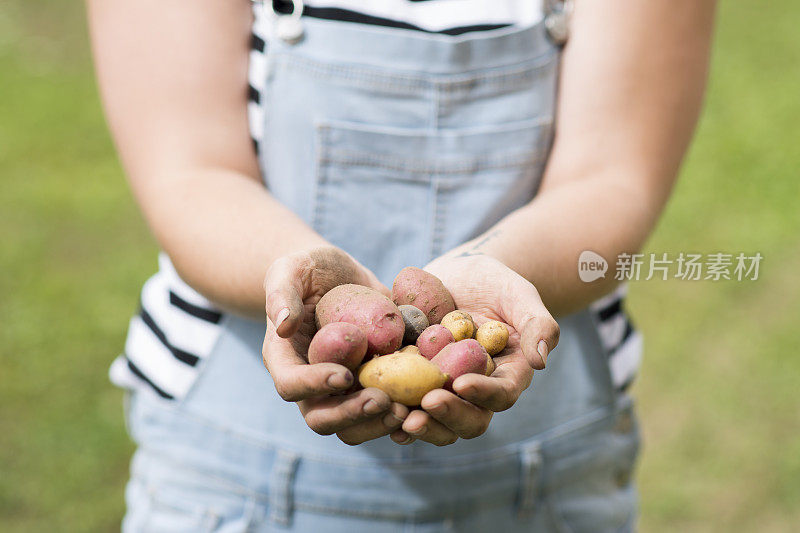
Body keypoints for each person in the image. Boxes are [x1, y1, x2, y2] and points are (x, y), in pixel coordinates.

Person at [87, 0, 716, 530]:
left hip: (550, 477)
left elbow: (614, 178)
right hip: (227, 473)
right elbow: (189, 170)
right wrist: (293, 273)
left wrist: (491, 270)